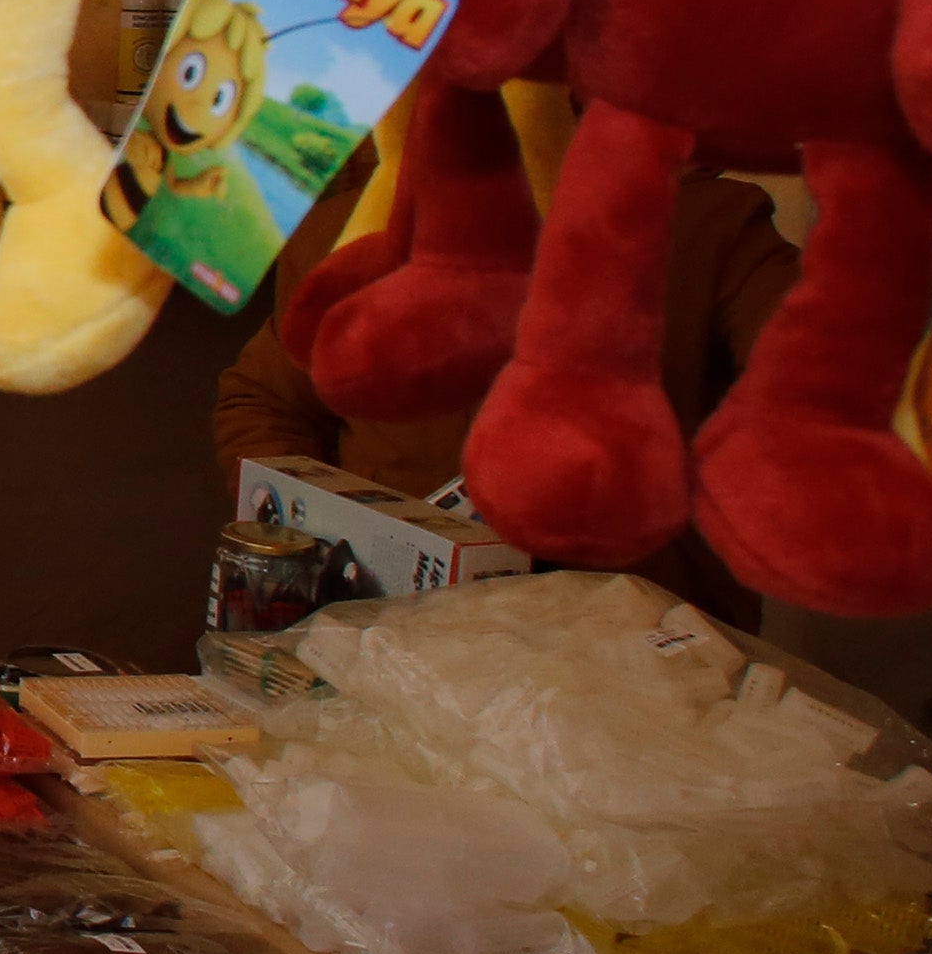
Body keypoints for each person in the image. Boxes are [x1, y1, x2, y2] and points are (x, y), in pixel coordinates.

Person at [214, 163, 795, 618]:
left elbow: (809, 365)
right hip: (392, 640)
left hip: (639, 657)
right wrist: (320, 539)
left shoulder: (703, 225)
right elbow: (267, 402)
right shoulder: (353, 231)